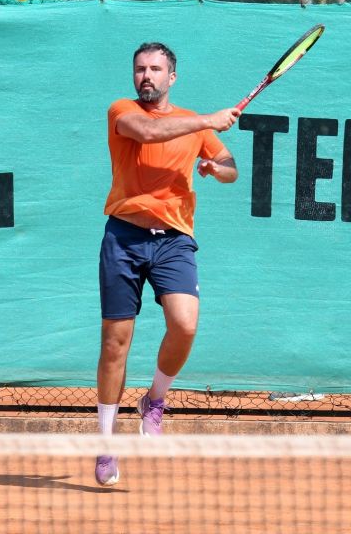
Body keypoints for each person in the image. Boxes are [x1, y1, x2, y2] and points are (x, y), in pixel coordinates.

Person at [94, 42, 240, 487]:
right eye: (140, 69)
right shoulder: (122, 111)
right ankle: (105, 445)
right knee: (115, 344)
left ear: (171, 77)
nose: (147, 76)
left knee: (185, 324)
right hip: (124, 237)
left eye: (156, 69)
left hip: (174, 239)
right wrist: (207, 120)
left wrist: (215, 169)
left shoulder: (193, 124)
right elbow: (148, 132)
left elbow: (230, 166)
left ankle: (154, 400)